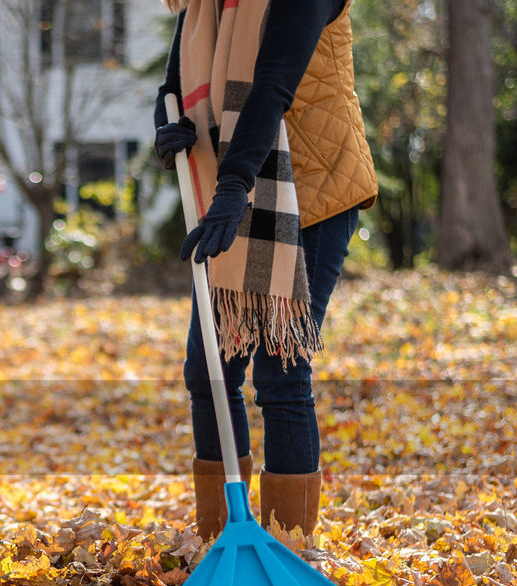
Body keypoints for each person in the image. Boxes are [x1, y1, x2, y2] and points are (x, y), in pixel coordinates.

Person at [152, 0, 378, 545]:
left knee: (280, 373)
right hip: (236, 189)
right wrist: (169, 124)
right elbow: (173, 82)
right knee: (209, 368)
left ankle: (289, 550)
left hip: (313, 191)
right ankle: (222, 541)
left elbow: (273, 83)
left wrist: (232, 185)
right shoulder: (205, 4)